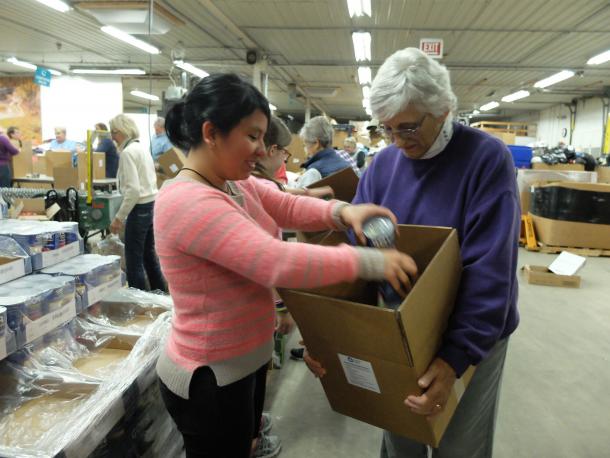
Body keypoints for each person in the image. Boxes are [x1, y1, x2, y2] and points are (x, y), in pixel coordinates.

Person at [153, 72, 418, 458]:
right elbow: (274, 261)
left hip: (241, 366)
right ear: (211, 133)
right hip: (209, 378)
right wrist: (369, 262)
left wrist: (344, 212)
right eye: (253, 136)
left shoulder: (231, 184)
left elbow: (286, 204)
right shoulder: (187, 201)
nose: (262, 149)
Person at [304, 47, 520, 458]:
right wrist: (326, 333)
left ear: (444, 109)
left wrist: (455, 358)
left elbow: (490, 274)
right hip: (399, 329)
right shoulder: (384, 165)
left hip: (470, 336)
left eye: (407, 127)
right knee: (401, 436)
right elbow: (356, 255)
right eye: (387, 130)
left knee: (459, 444)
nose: (397, 142)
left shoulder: (486, 160)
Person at [108, 114, 166, 293]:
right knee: (149, 256)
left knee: (134, 260)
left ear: (122, 132)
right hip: (151, 206)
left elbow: (133, 190)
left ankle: (138, 304)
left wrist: (119, 218)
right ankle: (160, 296)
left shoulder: (127, 153)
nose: (112, 137)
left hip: (139, 208)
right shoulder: (140, 148)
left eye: (114, 132)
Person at [297, 116, 351, 187]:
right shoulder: (345, 164)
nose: (305, 149)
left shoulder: (314, 170)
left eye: (305, 144)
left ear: (316, 143)